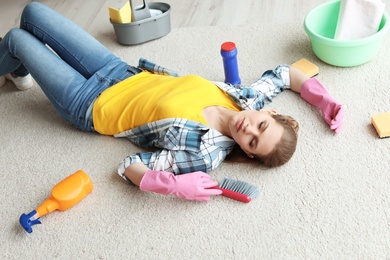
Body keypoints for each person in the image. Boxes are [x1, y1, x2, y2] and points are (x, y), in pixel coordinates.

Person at [0, 3, 344, 202]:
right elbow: (286, 75)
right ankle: (17, 72)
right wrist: (325, 101)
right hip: (119, 71)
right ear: (269, 111)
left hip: (89, 104)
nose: (249, 129)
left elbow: (130, 166)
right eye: (262, 124)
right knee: (32, 13)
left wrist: (174, 185)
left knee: (16, 38)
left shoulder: (204, 154)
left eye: (253, 142)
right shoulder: (248, 98)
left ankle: (14, 65)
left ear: (249, 153)